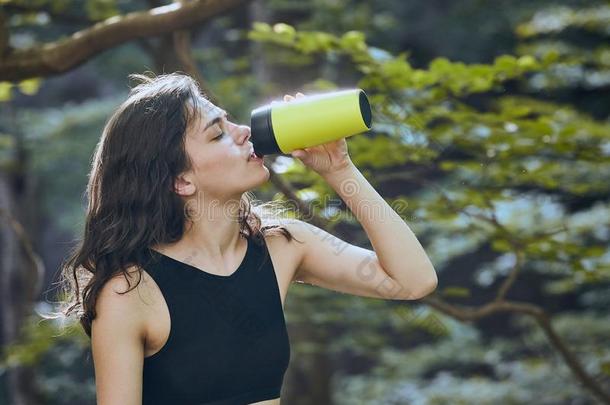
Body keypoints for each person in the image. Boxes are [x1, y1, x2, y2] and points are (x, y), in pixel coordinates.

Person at [57, 72, 438, 405]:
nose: (242, 132)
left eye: (229, 121)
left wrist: (340, 170)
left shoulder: (283, 245)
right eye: (218, 132)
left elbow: (413, 280)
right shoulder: (130, 292)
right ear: (181, 181)